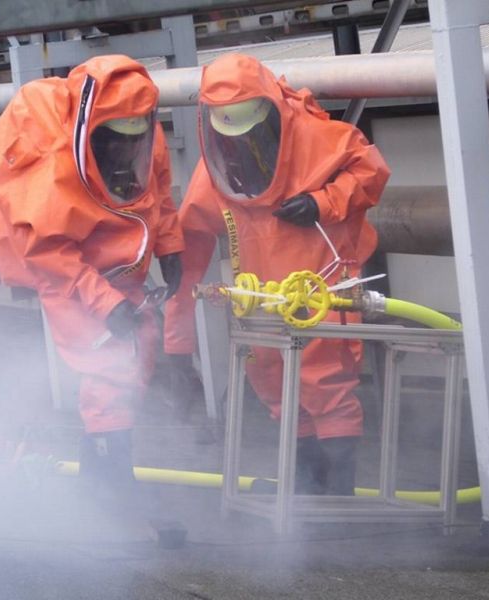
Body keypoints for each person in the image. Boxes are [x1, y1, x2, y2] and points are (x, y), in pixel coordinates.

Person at [163, 53, 390, 495]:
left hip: (324, 289)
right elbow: (189, 248)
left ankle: (338, 498)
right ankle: (306, 491)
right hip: (261, 300)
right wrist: (177, 340)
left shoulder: (319, 137)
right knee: (275, 385)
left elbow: (371, 171)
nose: (243, 145)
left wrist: (323, 203)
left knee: (326, 386)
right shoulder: (215, 173)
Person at [0, 55, 184, 506]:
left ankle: (103, 471)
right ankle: (111, 479)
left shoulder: (138, 126)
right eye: (113, 142)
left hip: (118, 260)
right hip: (66, 267)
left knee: (137, 350)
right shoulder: (53, 156)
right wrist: (104, 303)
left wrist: (170, 246)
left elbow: (158, 189)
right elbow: (48, 250)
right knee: (108, 360)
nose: (123, 151)